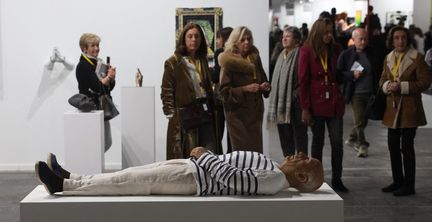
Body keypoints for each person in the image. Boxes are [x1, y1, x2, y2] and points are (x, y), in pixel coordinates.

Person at [34, 148, 324, 196]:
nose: (299, 155)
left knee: (127, 181)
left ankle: (63, 186)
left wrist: (205, 156)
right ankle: (72, 178)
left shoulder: (274, 179)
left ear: (301, 177)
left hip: (193, 178)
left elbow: (233, 179)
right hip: (191, 169)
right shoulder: (274, 170)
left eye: (304, 160)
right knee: (130, 173)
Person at [379, 26, 432, 196]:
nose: (400, 41)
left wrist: (402, 86)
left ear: (407, 39)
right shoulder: (388, 58)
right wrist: (388, 86)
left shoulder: (417, 58)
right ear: (392, 40)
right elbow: (382, 80)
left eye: (403, 37)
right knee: (392, 145)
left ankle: (409, 185)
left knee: (407, 147)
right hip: (392, 109)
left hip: (410, 109)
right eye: (396, 38)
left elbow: (425, 82)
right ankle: (397, 181)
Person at [298, 18, 348, 192]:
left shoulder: (336, 49)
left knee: (337, 142)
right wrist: (305, 108)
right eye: (326, 32)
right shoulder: (306, 51)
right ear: (318, 32)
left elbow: (340, 73)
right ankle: (316, 179)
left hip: (334, 103)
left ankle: (337, 179)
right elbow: (303, 82)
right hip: (316, 103)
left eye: (331, 32)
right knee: (317, 143)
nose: (329, 35)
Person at [161, 22, 219, 159]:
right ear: (183, 39)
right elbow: (166, 91)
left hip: (204, 112)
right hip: (186, 116)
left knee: (209, 152)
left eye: (197, 36)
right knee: (189, 156)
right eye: (190, 36)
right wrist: (173, 116)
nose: (194, 40)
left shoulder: (202, 59)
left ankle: (208, 180)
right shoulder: (173, 62)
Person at [219, 26, 271, 153]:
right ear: (235, 41)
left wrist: (265, 86)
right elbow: (224, 93)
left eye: (249, 39)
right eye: (242, 40)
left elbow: (263, 79)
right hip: (238, 117)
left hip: (255, 113)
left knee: (256, 154)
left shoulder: (254, 57)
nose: (247, 42)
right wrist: (245, 89)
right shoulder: (228, 62)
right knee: (242, 156)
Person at [337, 28, 383, 157]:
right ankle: (362, 145)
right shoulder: (346, 55)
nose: (363, 42)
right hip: (356, 94)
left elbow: (378, 70)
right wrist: (352, 74)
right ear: (353, 40)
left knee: (363, 120)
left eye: (365, 39)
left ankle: (352, 138)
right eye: (360, 39)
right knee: (359, 120)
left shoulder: (372, 53)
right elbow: (339, 74)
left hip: (370, 93)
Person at [267, 27, 308, 157]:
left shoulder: (300, 54)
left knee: (299, 135)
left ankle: (301, 165)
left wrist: (295, 95)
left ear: (296, 40)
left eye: (288, 36)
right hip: (281, 102)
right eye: (283, 36)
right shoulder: (281, 55)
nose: (284, 38)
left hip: (296, 102)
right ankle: (289, 162)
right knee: (285, 135)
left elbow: (304, 78)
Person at [76, 33, 116, 151]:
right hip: (89, 109)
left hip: (100, 108)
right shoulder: (83, 65)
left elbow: (107, 88)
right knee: (97, 145)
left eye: (97, 45)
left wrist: (111, 79)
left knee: (106, 143)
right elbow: (96, 87)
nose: (97, 48)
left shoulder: (97, 63)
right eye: (93, 45)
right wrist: (108, 78)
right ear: (84, 48)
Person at [212, 27, 233, 153]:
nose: (217, 41)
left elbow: (215, 77)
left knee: (217, 134)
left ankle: (218, 163)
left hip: (220, 99)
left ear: (224, 39)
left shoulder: (220, 52)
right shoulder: (237, 53)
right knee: (232, 136)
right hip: (233, 99)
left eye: (218, 38)